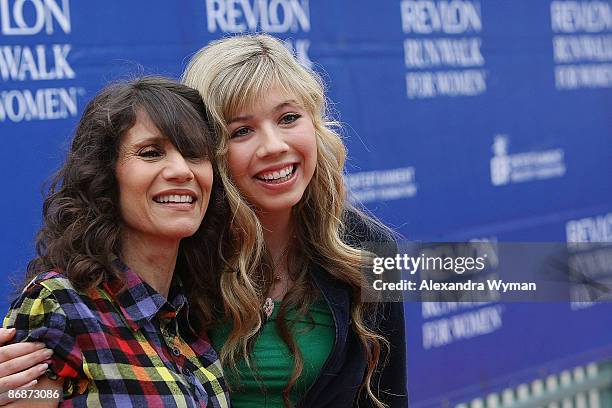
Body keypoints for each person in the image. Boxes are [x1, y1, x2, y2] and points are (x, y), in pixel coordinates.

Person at [182, 34, 407, 407]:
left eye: (288, 118)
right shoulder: (182, 250)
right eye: (242, 131)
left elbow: (389, 398)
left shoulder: (370, 249)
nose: (273, 146)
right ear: (207, 148)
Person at [1, 77, 229, 407]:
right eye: (151, 153)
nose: (181, 170)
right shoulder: (60, 307)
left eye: (195, 154)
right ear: (105, 174)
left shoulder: (192, 316)